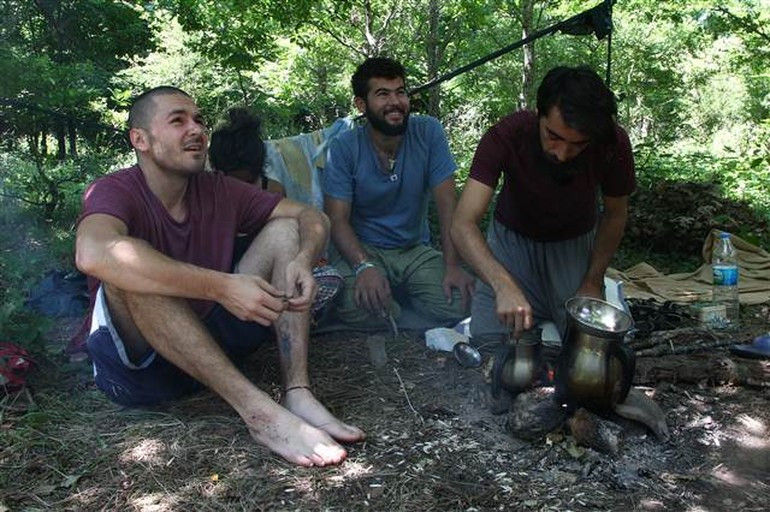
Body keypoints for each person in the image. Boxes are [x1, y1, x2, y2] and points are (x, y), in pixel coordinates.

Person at [75, 86, 365, 467]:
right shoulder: (114, 189)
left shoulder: (218, 189)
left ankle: (297, 391)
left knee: (285, 231)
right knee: (129, 270)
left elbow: (312, 216)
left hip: (208, 348)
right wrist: (222, 285)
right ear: (140, 139)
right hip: (142, 374)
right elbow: (93, 253)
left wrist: (302, 258)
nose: (196, 129)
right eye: (178, 120)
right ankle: (260, 414)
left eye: (199, 120)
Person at [451, 65, 635, 342]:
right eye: (554, 136)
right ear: (540, 115)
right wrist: (502, 285)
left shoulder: (612, 143)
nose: (562, 153)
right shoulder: (506, 135)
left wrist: (593, 280)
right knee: (490, 341)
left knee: (586, 342)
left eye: (578, 144)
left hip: (573, 246)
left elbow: (615, 215)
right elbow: (462, 224)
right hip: (511, 246)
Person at [323, 57, 474, 330]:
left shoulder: (428, 132)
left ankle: (397, 307)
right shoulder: (344, 147)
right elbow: (337, 220)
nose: (396, 102)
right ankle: (394, 305)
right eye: (383, 94)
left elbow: (448, 206)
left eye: (400, 92)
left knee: (460, 301)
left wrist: (453, 265)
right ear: (361, 104)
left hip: (414, 249)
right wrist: (363, 266)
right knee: (353, 302)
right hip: (366, 248)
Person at [208, 107, 344, 322]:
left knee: (329, 278)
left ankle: (283, 319)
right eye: (234, 184)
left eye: (247, 183)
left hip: (274, 279)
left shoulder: (273, 190)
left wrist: (305, 260)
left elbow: (296, 234)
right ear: (217, 172)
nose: (242, 192)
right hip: (231, 282)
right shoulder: (209, 197)